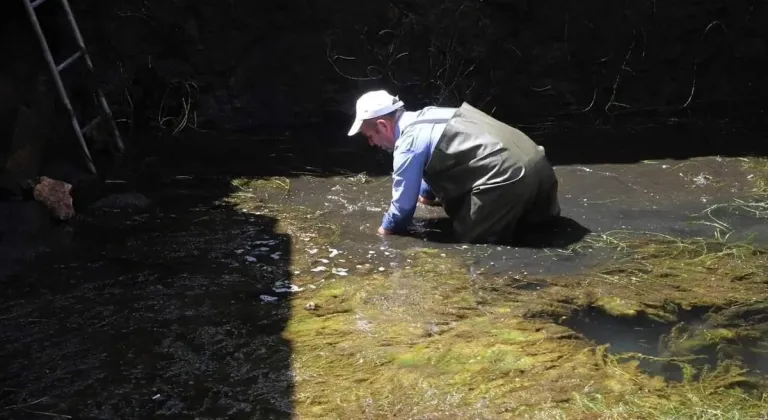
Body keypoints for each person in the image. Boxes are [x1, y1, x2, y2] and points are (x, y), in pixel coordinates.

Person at [347, 89, 561, 244]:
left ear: (383, 125)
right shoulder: (431, 114)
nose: (372, 143)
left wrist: (383, 233)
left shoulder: (407, 144)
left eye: (370, 135)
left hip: (508, 177)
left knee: (472, 243)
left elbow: (402, 208)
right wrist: (426, 195)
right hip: (539, 165)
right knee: (541, 231)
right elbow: (450, 151)